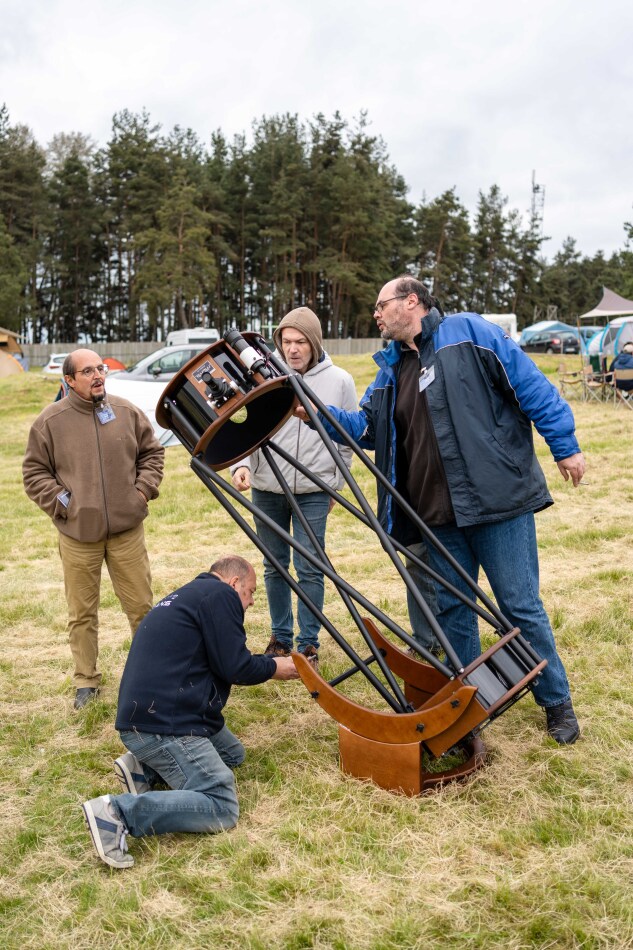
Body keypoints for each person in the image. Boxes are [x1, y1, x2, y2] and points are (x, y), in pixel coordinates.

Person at [303, 275, 585, 745]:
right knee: (453, 612)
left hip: (498, 504)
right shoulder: (390, 369)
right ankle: (468, 712)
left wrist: (565, 446)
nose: (375, 314)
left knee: (520, 606)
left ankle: (556, 702)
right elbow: (366, 428)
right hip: (434, 514)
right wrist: (310, 410)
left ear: (411, 301)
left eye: (381, 304)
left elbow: (531, 387)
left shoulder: (472, 333)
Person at [81, 556, 299, 869]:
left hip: (149, 714)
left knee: (232, 754)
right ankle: (116, 814)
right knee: (221, 803)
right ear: (234, 583)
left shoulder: (190, 594)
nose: (251, 602)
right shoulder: (221, 595)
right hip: (163, 722)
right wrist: (274, 667)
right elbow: (235, 667)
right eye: (250, 592)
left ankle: (143, 769)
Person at [23, 348, 164, 710]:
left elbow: (152, 454)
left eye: (100, 368)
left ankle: (154, 676)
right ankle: (86, 681)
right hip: (77, 536)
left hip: (126, 532)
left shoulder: (126, 411)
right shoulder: (49, 422)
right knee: (82, 612)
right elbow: (34, 473)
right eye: (87, 371)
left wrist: (141, 493)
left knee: (142, 608)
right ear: (69, 380)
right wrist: (65, 504)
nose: (98, 375)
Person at [230, 307, 357, 670]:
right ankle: (280, 637)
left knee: (310, 567)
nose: (293, 349)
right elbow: (245, 428)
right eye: (286, 341)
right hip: (268, 488)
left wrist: (335, 486)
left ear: (314, 343)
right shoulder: (263, 377)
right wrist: (241, 466)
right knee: (274, 566)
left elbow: (346, 439)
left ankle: (308, 643)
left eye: (300, 341)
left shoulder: (340, 381)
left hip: (314, 488)